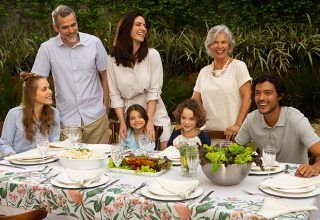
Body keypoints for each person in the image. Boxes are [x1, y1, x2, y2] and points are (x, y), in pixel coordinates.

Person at [31, 5, 109, 144]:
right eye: (65, 27)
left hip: (96, 118)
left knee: (100, 163)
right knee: (69, 164)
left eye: (74, 25)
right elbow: (36, 82)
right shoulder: (47, 48)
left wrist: (105, 107)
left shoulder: (94, 42)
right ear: (56, 28)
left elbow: (105, 75)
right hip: (67, 120)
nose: (71, 30)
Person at [107, 11, 171, 150]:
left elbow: (154, 90)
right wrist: (123, 122)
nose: (143, 28)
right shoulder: (112, 59)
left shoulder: (152, 55)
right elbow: (114, 95)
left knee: (163, 153)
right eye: (138, 24)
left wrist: (149, 120)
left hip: (153, 110)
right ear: (127, 28)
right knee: (130, 155)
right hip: (129, 114)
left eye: (144, 25)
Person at [235, 73, 320, 177]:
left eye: (268, 93)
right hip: (264, 178)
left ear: (280, 96)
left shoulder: (295, 118)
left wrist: (315, 167)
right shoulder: (251, 119)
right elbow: (234, 150)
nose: (261, 97)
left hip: (296, 180)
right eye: (257, 93)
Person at [192, 24, 252, 142]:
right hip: (207, 135)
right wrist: (191, 120)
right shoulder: (204, 71)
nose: (219, 46)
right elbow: (194, 100)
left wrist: (238, 125)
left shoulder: (238, 66)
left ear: (229, 45)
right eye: (215, 42)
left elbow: (247, 98)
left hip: (232, 135)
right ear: (209, 46)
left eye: (223, 42)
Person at [0, 72, 60, 158]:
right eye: (44, 89)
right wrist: (15, 158)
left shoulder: (54, 113)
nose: (50, 91)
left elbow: (54, 143)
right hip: (18, 164)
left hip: (44, 161)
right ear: (32, 94)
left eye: (49, 88)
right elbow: (4, 144)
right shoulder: (14, 114)